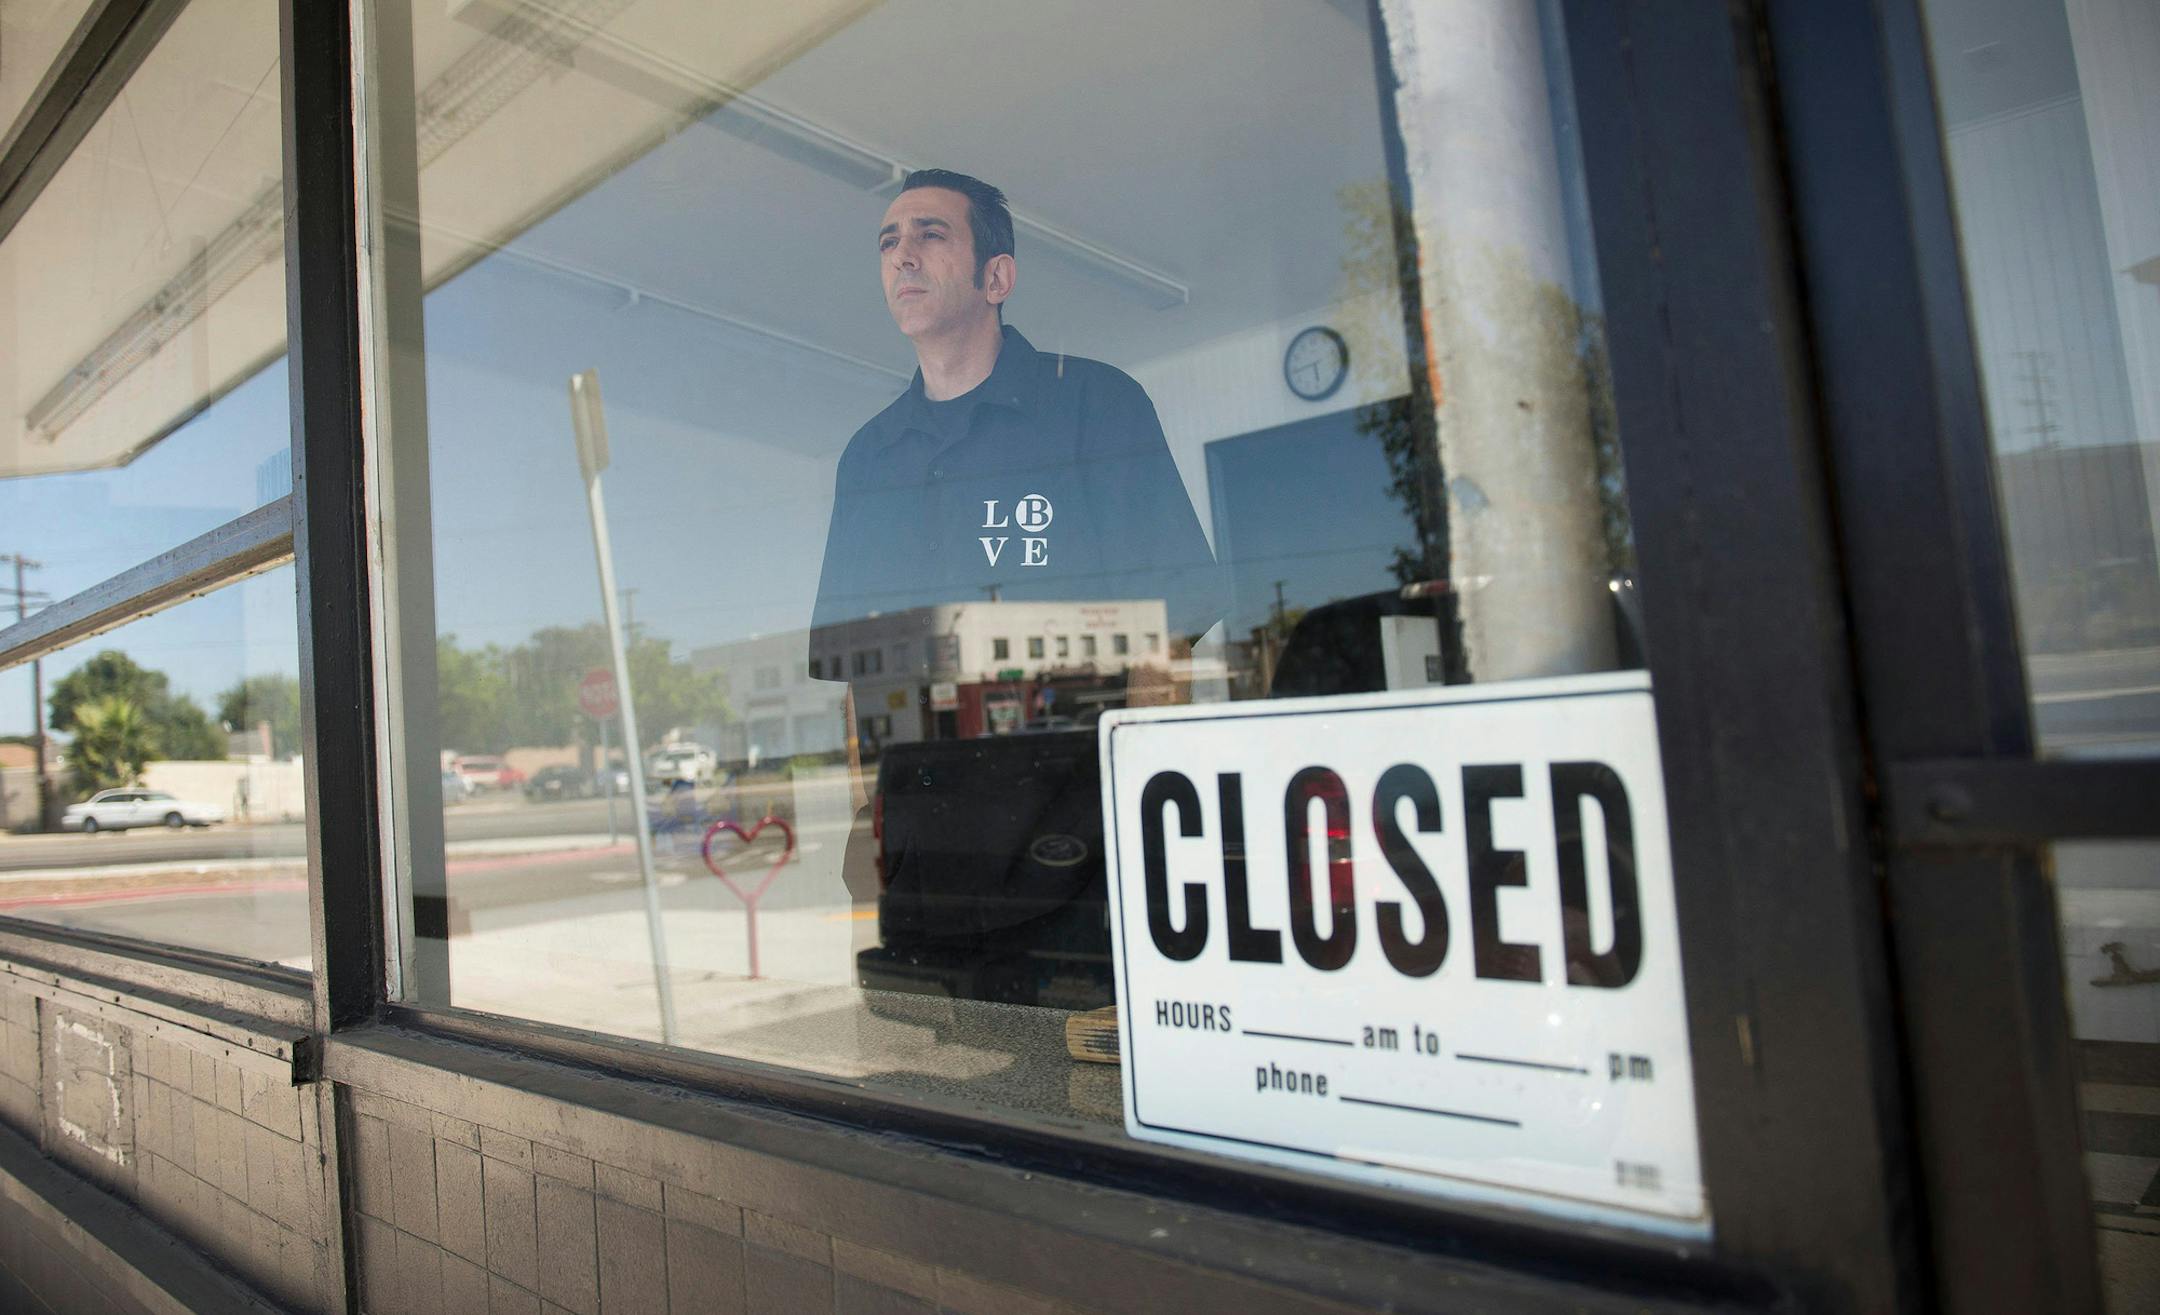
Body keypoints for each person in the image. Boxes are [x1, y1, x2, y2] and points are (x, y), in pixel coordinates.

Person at [809, 168, 1223, 676]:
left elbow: (1167, 625)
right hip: (916, 755)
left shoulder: (1095, 405)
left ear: (996, 278)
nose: (902, 256)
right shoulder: (868, 457)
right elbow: (856, 666)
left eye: (931, 234)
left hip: (1073, 752)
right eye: (889, 242)